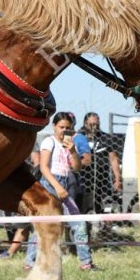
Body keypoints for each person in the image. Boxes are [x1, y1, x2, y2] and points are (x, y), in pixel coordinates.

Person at [25, 112, 97, 271]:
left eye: (68, 128)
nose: (64, 130)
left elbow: (77, 168)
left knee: (78, 223)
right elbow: (43, 167)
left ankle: (86, 262)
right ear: (54, 126)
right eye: (61, 127)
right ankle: (30, 263)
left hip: (63, 185)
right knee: (42, 226)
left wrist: (72, 151)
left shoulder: (69, 145)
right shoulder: (48, 142)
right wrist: (57, 187)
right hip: (50, 186)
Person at [78, 112, 121, 213]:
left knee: (101, 206)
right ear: (85, 124)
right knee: (83, 205)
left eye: (97, 124)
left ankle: (101, 225)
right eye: (91, 124)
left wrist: (117, 179)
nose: (95, 127)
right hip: (83, 179)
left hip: (102, 179)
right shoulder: (79, 137)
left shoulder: (105, 138)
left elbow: (113, 159)